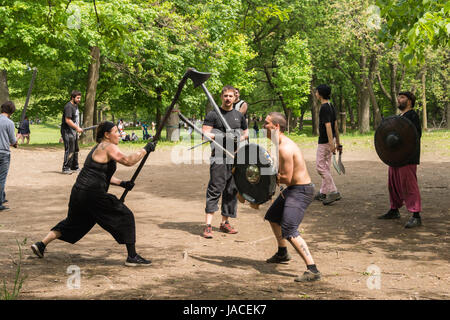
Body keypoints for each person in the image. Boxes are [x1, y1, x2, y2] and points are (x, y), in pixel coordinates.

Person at [31, 121, 157, 266]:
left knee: (73, 223)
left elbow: (101, 175)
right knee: (125, 216)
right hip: (93, 194)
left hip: (79, 192)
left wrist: (122, 183)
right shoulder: (108, 146)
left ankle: (41, 244)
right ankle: (132, 256)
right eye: (116, 131)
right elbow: (128, 161)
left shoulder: (98, 147)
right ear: (107, 135)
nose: (119, 134)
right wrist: (145, 149)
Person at [263, 112, 321, 282]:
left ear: (276, 126)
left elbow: (285, 178)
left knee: (289, 229)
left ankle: (313, 270)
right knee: (273, 217)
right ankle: (282, 253)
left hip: (301, 191)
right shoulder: (278, 143)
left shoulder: (284, 147)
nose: (263, 126)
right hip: (293, 189)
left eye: (266, 123)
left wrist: (263, 173)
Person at [202, 85, 248, 238]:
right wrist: (223, 136)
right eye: (225, 96)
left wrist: (239, 137)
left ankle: (224, 223)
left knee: (231, 190)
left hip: (234, 157)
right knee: (215, 188)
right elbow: (205, 134)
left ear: (235, 98)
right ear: (221, 97)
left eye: (231, 96)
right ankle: (208, 225)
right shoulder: (213, 114)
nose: (228, 99)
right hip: (219, 155)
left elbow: (245, 133)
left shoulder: (239, 116)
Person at [378, 91, 423, 228]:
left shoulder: (412, 115)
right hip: (395, 155)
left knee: (409, 185)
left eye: (402, 97)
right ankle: (394, 210)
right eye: (398, 97)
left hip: (407, 157)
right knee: (393, 184)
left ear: (409, 101)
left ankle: (416, 215)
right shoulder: (399, 117)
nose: (399, 99)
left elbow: (414, 136)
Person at [314, 84, 342, 205]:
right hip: (331, 141)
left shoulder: (324, 107)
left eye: (316, 92)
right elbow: (336, 125)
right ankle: (324, 192)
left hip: (325, 142)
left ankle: (333, 191)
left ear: (320, 94)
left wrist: (331, 144)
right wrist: (338, 142)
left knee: (320, 167)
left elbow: (329, 126)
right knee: (326, 167)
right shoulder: (331, 106)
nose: (315, 93)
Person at [0, 101, 18, 211]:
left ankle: (2, 196)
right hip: (3, 153)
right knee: (1, 178)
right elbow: (13, 141)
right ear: (11, 111)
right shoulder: (9, 123)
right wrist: (17, 139)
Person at [61, 90, 83, 174]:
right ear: (72, 97)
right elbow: (68, 120)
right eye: (77, 98)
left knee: (76, 149)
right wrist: (77, 128)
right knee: (70, 149)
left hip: (73, 130)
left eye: (80, 98)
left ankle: (74, 167)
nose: (79, 100)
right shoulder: (68, 106)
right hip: (67, 131)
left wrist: (78, 128)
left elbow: (75, 119)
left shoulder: (75, 105)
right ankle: (66, 168)